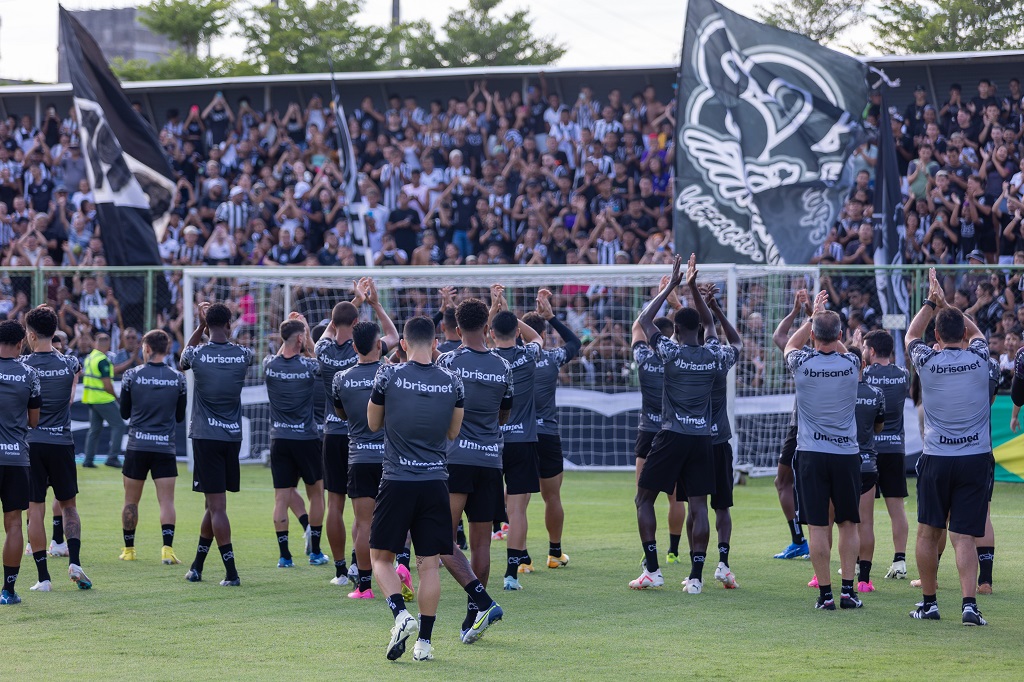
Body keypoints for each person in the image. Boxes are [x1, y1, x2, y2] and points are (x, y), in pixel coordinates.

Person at [365, 316, 468, 661]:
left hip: (397, 479)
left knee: (379, 557)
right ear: (436, 341)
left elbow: (372, 423)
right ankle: (424, 643)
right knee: (429, 564)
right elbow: (453, 433)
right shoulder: (453, 381)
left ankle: (400, 614)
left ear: (404, 343)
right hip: (435, 481)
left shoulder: (388, 374)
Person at [631, 254, 733, 593]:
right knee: (699, 505)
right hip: (703, 438)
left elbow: (645, 320)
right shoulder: (713, 355)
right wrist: (698, 296)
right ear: (701, 331)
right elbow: (723, 334)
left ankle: (654, 570)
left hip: (672, 434)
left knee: (644, 499)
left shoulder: (670, 354)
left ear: (675, 331)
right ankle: (697, 578)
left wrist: (673, 286)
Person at [906, 268, 992, 626]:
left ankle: (929, 603)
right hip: (974, 458)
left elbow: (912, 333)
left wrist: (931, 301)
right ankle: (969, 605)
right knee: (964, 537)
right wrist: (950, 307)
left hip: (938, 457)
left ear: (937, 336)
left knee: (928, 532)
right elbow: (977, 333)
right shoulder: (980, 358)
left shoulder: (927, 360)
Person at [436, 299, 514, 634]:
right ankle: (473, 614)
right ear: (487, 327)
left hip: (455, 459)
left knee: (440, 538)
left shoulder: (448, 361)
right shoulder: (502, 366)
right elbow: (504, 413)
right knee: (482, 543)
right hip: (489, 460)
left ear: (455, 328)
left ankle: (480, 601)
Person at [316, 279, 398, 585]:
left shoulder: (323, 350)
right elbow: (393, 335)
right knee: (372, 511)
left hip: (334, 433)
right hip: (366, 437)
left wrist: (355, 300)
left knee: (335, 505)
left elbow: (330, 329)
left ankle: (341, 570)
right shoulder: (370, 354)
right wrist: (371, 302)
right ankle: (361, 562)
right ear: (357, 323)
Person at [785, 289, 863, 611]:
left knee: (818, 526)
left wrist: (810, 317)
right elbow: (850, 353)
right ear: (841, 335)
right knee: (847, 524)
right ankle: (848, 591)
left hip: (811, 454)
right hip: (846, 454)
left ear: (813, 336)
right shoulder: (852, 363)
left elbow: (790, 344)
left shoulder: (801, 363)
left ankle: (826, 595)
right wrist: (826, 327)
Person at [179, 302, 255, 587]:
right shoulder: (243, 354)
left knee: (217, 506)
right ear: (230, 324)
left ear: (207, 325)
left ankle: (231, 573)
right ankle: (196, 567)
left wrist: (200, 326)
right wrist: (216, 325)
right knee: (212, 505)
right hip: (231, 437)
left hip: (205, 436)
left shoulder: (198, 354)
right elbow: (236, 345)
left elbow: (182, 360)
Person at [21, 306, 87, 592]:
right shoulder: (70, 363)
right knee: (69, 506)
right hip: (62, 443)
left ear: (31, 334)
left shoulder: (24, 365)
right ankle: (75, 562)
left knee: (34, 510)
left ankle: (43, 578)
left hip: (32, 444)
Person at [488, 288, 545, 590]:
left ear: (493, 333)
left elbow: (476, 337)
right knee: (518, 510)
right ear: (515, 331)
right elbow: (537, 338)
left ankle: (477, 568)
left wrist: (497, 307)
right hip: (523, 440)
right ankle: (511, 574)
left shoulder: (487, 358)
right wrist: (510, 313)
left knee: (484, 508)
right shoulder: (527, 355)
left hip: (491, 442)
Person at [522, 288, 580, 570]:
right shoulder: (553, 358)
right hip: (547, 434)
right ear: (542, 335)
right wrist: (553, 317)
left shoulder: (510, 359)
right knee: (552, 496)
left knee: (517, 500)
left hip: (517, 435)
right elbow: (575, 342)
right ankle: (555, 553)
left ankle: (520, 559)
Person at [118, 330, 187, 565]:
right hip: (164, 447)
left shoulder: (131, 375)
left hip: (137, 445)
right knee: (166, 501)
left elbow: (124, 412)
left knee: (131, 500)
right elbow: (179, 417)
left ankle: (129, 550)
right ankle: (167, 550)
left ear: (146, 348)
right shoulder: (178, 378)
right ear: (167, 349)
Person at [332, 321, 389, 598]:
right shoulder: (391, 373)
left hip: (360, 457)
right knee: (396, 522)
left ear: (354, 347)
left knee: (364, 524)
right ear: (379, 345)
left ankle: (364, 587)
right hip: (390, 459)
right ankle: (400, 571)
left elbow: (341, 414)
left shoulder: (341, 378)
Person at [264, 315, 326, 568]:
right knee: (317, 495)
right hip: (307, 438)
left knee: (281, 498)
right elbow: (319, 362)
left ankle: (284, 556)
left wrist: (293, 334)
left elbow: (283, 353)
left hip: (279, 438)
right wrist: (308, 338)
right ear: (300, 338)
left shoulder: (269, 364)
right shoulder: (308, 366)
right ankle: (315, 552)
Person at [631, 286, 686, 565]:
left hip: (647, 432)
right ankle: (674, 550)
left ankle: (648, 550)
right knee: (676, 498)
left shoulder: (643, 357)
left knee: (643, 496)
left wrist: (662, 294)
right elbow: (687, 330)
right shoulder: (678, 359)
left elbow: (638, 324)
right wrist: (677, 304)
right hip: (673, 431)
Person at [701, 284, 744, 589]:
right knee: (722, 507)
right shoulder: (720, 360)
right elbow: (736, 341)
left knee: (695, 505)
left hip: (692, 439)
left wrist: (693, 299)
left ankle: (694, 567)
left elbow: (696, 326)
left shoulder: (683, 359)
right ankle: (723, 563)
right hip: (719, 441)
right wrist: (714, 308)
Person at [861, 330, 911, 581]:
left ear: (870, 351)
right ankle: (900, 560)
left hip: (869, 450)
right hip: (895, 448)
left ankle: (860, 563)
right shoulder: (903, 375)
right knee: (897, 508)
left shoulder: (865, 374)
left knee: (864, 513)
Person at [0, 320, 41, 605]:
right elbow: (34, 421)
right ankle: (8, 590)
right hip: (15, 456)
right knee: (14, 524)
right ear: (21, 343)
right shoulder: (30, 374)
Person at [770, 290, 812, 560]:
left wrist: (801, 312)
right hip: (833, 431)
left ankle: (800, 541)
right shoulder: (846, 361)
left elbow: (779, 337)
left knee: (784, 482)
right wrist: (808, 314)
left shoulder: (803, 361)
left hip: (801, 428)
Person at [848, 343, 886, 593]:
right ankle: (864, 580)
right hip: (867, 463)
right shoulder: (876, 393)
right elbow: (878, 427)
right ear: (864, 365)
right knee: (866, 523)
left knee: (834, 523)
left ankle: (825, 577)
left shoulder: (836, 392)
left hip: (841, 461)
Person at [81, 332, 124, 469]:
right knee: (119, 425)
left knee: (94, 430)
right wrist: (117, 398)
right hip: (103, 398)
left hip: (91, 398)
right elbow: (107, 385)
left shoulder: (90, 358)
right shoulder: (103, 360)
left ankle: (88, 460)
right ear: (108, 344)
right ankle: (112, 457)